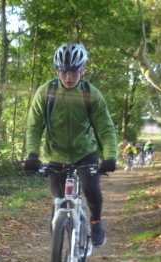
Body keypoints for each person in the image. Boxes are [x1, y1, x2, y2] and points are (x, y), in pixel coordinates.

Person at [23, 43, 118, 247]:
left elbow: (106, 129)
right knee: (58, 202)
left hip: (85, 153)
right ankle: (55, 259)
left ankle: (96, 221)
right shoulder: (45, 93)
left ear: (82, 70)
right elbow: (33, 127)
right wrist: (32, 155)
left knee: (92, 190)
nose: (68, 77)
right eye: (63, 71)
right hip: (56, 156)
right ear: (57, 70)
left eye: (73, 71)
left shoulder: (91, 94)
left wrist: (110, 157)